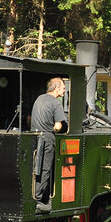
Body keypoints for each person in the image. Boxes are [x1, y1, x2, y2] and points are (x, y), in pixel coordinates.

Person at [31, 77, 67, 213]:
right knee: (45, 169)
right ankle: (39, 201)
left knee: (36, 169)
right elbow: (58, 126)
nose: (64, 90)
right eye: (63, 88)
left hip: (35, 136)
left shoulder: (39, 98)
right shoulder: (56, 103)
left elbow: (29, 119)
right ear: (56, 88)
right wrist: (56, 128)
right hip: (47, 138)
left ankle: (35, 196)